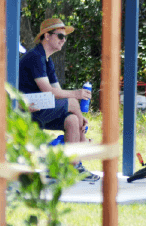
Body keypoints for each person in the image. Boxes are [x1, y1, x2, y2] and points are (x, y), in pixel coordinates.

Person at [18, 18, 99, 181]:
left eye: (65, 37)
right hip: (25, 107)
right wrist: (76, 95)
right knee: (73, 103)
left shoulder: (47, 60)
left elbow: (58, 92)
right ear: (46, 36)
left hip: (39, 105)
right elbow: (49, 91)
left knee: (71, 120)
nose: (64, 40)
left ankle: (73, 167)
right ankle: (82, 149)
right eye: (60, 36)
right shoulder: (35, 57)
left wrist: (77, 113)